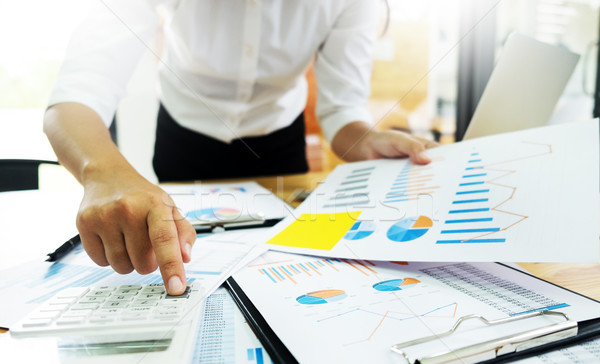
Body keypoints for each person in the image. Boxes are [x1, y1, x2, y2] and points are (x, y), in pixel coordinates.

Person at [43, 1, 437, 295]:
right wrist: (105, 174)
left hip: (280, 146)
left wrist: (368, 140)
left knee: (281, 275)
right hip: (185, 135)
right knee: (181, 256)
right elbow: (77, 93)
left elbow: (341, 111)